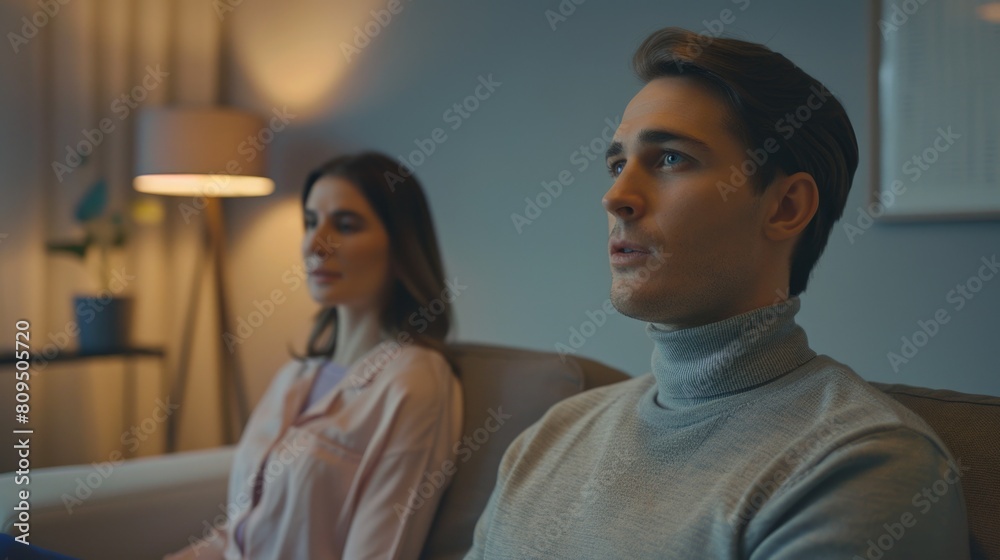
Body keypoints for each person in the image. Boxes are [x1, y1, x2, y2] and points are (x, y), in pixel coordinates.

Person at [465, 28, 969, 559]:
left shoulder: (860, 463)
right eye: (617, 165)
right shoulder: (551, 436)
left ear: (786, 207)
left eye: (670, 159)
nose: (614, 197)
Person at [166, 151, 463, 559]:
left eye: (345, 225)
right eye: (310, 223)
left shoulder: (415, 382)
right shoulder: (295, 375)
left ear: (401, 248)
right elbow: (240, 533)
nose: (315, 244)